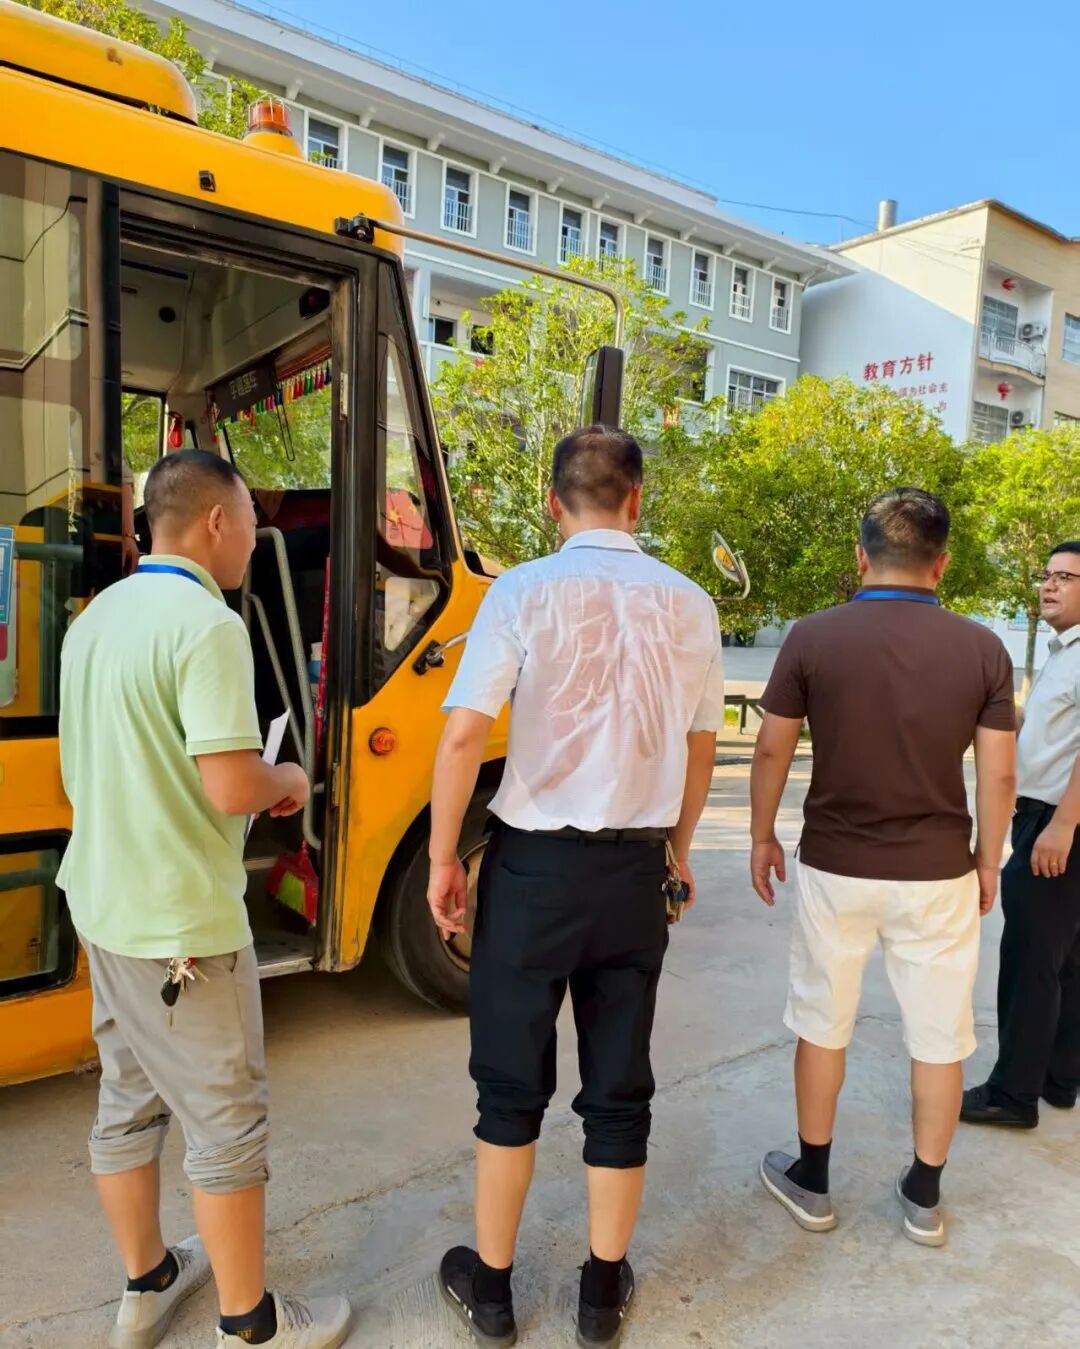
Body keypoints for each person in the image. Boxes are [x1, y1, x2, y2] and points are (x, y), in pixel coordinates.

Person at [426, 425, 724, 1347]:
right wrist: (675, 849)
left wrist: (444, 857)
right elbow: (701, 743)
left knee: (509, 1088)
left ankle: (496, 1292)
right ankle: (600, 1296)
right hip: (634, 870)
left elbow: (465, 734)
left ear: (556, 504)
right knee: (618, 1086)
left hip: (532, 871)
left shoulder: (520, 589)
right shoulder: (690, 602)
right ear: (638, 501)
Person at [58, 450, 350, 1349]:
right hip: (180, 922)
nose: (254, 549)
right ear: (217, 522)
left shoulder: (95, 618)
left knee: (128, 1098)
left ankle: (147, 1283)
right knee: (226, 1122)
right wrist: (289, 776)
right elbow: (229, 783)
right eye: (253, 531)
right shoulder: (207, 624)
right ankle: (250, 1325)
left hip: (102, 903)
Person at [749, 488, 1016, 1248]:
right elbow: (997, 776)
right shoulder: (982, 648)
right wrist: (987, 861)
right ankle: (923, 1195)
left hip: (836, 865)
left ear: (860, 556)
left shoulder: (811, 636)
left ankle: (813, 1179)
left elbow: (772, 747)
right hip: (938, 872)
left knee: (822, 1020)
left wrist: (762, 834)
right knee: (939, 1033)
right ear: (943, 563)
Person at [962, 541, 1080, 1128]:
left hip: (1059, 823)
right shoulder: (1064, 651)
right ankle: (1059, 1079)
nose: (1050, 585)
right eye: (1047, 574)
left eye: (1067, 577)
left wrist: (1062, 824)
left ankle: (1013, 1094)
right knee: (1064, 959)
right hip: (1051, 819)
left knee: (1031, 958)